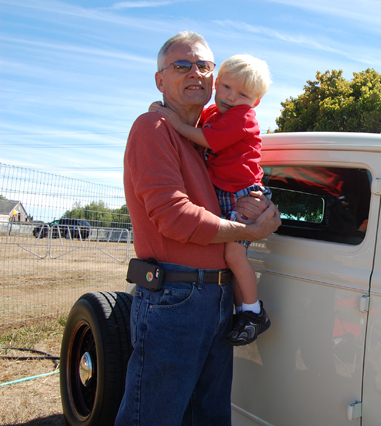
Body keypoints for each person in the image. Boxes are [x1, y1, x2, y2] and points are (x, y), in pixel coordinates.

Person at [115, 31, 280, 426]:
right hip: (175, 297)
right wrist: (250, 233)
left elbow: (238, 183)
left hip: (216, 296)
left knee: (207, 417)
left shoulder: (206, 142)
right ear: (160, 81)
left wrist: (261, 208)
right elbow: (175, 217)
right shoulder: (153, 128)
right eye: (182, 65)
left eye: (204, 66)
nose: (196, 73)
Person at [150, 54, 272, 346]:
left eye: (242, 94)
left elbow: (207, 140)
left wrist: (172, 121)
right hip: (228, 192)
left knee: (234, 255)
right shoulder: (214, 114)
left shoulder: (243, 117)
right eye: (227, 87)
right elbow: (198, 129)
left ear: (254, 102)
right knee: (228, 257)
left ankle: (253, 313)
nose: (231, 97)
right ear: (217, 83)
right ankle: (244, 309)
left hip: (243, 193)